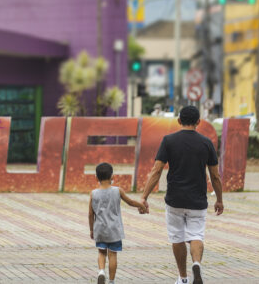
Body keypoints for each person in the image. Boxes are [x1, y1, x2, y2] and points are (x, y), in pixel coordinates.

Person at [140, 105, 224, 284]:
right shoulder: (206, 143)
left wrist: (144, 197)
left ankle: (183, 278)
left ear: (179, 121)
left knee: (177, 238)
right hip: (198, 201)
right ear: (198, 122)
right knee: (196, 236)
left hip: (174, 200)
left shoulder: (168, 141)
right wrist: (219, 199)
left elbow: (157, 171)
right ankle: (196, 264)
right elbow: (215, 176)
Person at [88, 162, 147, 284]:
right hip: (114, 230)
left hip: (100, 229)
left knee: (101, 252)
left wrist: (91, 229)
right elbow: (130, 202)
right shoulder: (117, 191)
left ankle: (101, 272)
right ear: (112, 177)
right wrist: (142, 205)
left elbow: (90, 214)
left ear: (96, 178)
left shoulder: (93, 194)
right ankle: (111, 281)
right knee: (113, 255)